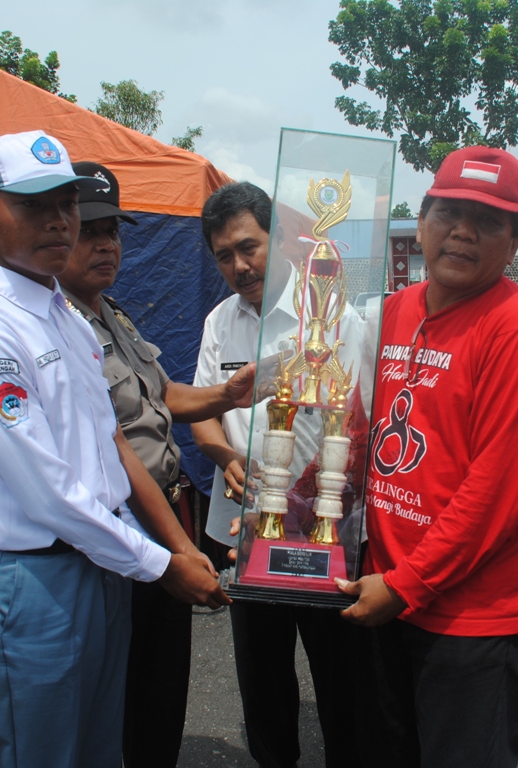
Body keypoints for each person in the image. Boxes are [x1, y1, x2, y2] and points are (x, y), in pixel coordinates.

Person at [0, 131, 229, 768]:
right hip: (38, 574)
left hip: (103, 564)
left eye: (66, 204)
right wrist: (161, 564)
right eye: (35, 205)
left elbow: (109, 446)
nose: (60, 222)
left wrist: (173, 548)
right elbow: (51, 493)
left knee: (103, 749)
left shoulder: (70, 320)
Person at [339, 146, 518, 767]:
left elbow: (495, 494)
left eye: (489, 221)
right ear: (422, 219)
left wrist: (407, 585)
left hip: (470, 620)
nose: (463, 231)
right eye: (450, 212)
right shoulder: (395, 310)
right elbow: (361, 433)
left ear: (514, 241)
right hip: (386, 592)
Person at [56, 160, 254, 768]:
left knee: (163, 683)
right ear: (57, 234)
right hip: (123, 528)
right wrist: (179, 550)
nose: (106, 245)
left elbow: (161, 392)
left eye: (113, 231)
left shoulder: (109, 312)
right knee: (120, 688)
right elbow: (113, 444)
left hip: (165, 512)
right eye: (89, 232)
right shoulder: (56, 327)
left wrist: (225, 396)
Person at [191, 181, 364, 768]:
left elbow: (355, 422)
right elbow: (205, 415)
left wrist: (312, 495)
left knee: (341, 676)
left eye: (249, 246)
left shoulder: (335, 315)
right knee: (261, 679)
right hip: (248, 533)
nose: (239, 266)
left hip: (322, 527)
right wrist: (226, 458)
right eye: (223, 255)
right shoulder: (220, 323)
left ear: (282, 238)